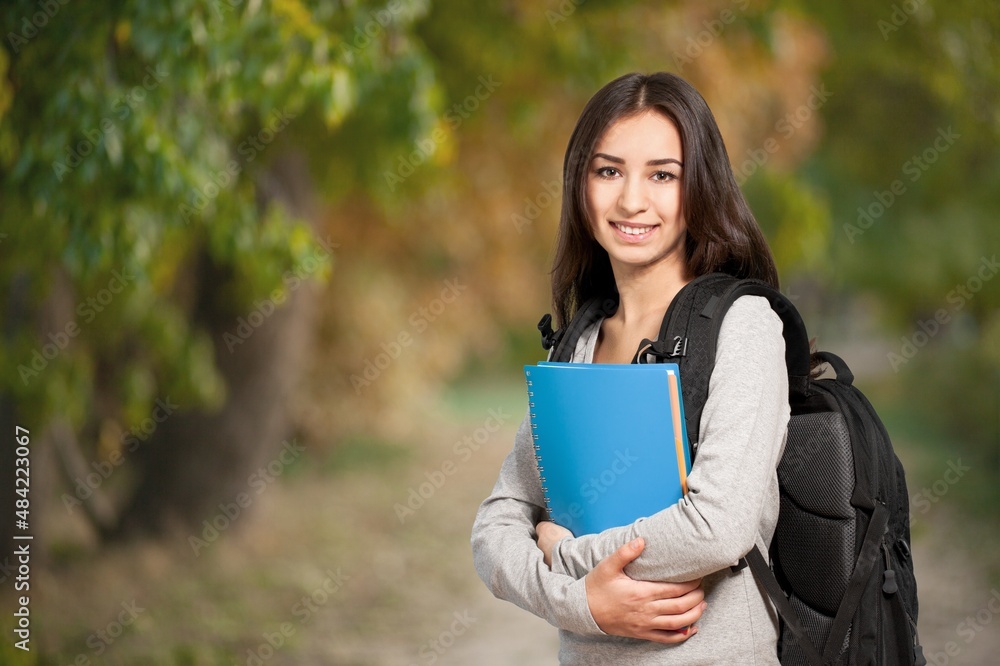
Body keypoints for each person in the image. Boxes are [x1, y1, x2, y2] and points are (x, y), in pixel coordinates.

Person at [471, 71, 789, 664]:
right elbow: (495, 526)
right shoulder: (579, 343)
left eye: (662, 175)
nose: (631, 200)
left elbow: (717, 527)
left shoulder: (743, 327)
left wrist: (564, 556)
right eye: (608, 170)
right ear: (580, 185)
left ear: (699, 190)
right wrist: (584, 605)